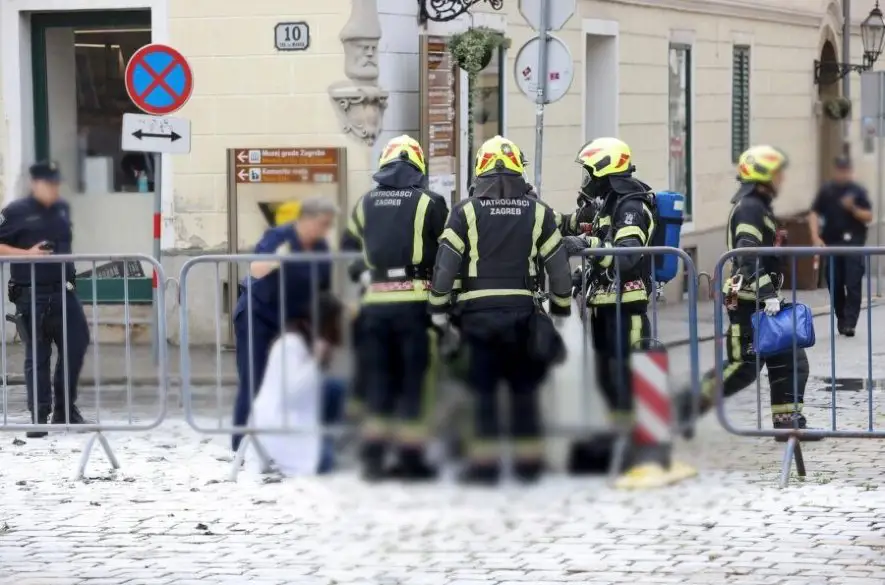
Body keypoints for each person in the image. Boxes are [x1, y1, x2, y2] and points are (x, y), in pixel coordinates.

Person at [428, 135, 572, 485]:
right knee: (524, 391)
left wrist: (438, 310)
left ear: (480, 170)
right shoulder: (539, 213)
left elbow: (445, 268)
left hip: (477, 318)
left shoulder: (465, 212)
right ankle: (528, 466)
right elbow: (559, 269)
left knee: (484, 394)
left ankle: (485, 468)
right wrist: (560, 310)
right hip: (523, 314)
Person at [674, 145, 822, 440]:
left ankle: (788, 423)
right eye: (778, 173)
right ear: (764, 175)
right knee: (743, 366)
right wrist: (767, 294)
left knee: (790, 358)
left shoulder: (758, 205)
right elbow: (746, 253)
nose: (782, 178)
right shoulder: (751, 208)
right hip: (749, 301)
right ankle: (683, 408)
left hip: (761, 299)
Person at [341, 135, 448, 481]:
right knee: (414, 383)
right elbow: (446, 252)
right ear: (418, 168)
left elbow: (348, 250)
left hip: (375, 305)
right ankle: (410, 459)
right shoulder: (430, 203)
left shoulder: (364, 204)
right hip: (415, 306)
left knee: (380, 382)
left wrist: (366, 274)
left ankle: (373, 459)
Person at [560, 138, 657, 474]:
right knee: (606, 379)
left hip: (625, 306)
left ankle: (633, 450)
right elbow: (571, 224)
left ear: (606, 169)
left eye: (590, 172)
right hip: (603, 305)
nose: (587, 179)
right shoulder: (607, 203)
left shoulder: (630, 205)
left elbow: (626, 255)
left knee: (623, 378)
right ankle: (615, 446)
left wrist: (586, 245)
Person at [231, 196, 337, 452]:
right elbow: (256, 269)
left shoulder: (321, 248)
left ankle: (278, 443)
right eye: (322, 223)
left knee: (292, 383)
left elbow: (322, 292)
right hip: (257, 315)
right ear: (306, 219)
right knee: (253, 379)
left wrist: (323, 333)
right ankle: (241, 446)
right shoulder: (280, 236)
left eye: (328, 225)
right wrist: (280, 257)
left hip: (292, 322)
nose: (325, 230)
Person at [0, 161, 91, 438]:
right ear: (34, 184)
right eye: (47, 183)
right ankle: (39, 415)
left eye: (55, 183)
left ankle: (65, 409)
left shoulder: (61, 209)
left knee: (77, 344)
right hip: (32, 294)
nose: (53, 188)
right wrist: (26, 253)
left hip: (63, 290)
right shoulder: (15, 212)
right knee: (38, 355)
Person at [246, 292, 344, 476]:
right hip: (280, 425)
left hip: (294, 420)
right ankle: (324, 445)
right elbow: (292, 393)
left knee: (336, 387)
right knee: (325, 462)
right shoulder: (290, 344)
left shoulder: (305, 341)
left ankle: (328, 439)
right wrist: (315, 361)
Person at [809, 156, 873, 337]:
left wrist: (853, 208)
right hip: (833, 243)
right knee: (834, 282)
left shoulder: (858, 191)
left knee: (853, 282)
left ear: (850, 171)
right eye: (840, 170)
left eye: (846, 170)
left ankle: (850, 323)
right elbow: (814, 213)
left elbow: (868, 216)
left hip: (854, 244)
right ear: (835, 171)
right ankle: (842, 317)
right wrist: (815, 237)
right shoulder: (827, 191)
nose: (842, 173)